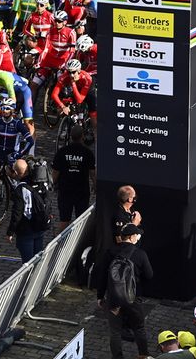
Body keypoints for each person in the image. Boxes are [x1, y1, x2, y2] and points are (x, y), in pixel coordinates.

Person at [93, 222, 155, 359]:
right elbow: (149, 275)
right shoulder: (140, 254)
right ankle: (144, 356)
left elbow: (102, 275)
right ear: (132, 237)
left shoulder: (110, 252)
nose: (138, 237)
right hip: (133, 298)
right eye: (137, 234)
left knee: (115, 331)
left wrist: (100, 296)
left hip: (114, 298)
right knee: (139, 329)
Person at [52, 123, 95, 230]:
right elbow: (92, 172)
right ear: (82, 136)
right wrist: (95, 184)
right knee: (80, 220)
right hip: (81, 191)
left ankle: (60, 244)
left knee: (64, 220)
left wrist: (51, 184)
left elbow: (55, 172)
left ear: (70, 136)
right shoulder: (87, 153)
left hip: (65, 190)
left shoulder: (62, 151)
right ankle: (78, 244)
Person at [6, 157, 51, 261]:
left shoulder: (21, 189)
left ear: (17, 173)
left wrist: (10, 232)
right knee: (37, 260)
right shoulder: (41, 183)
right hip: (40, 228)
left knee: (27, 263)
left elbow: (17, 213)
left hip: (26, 231)